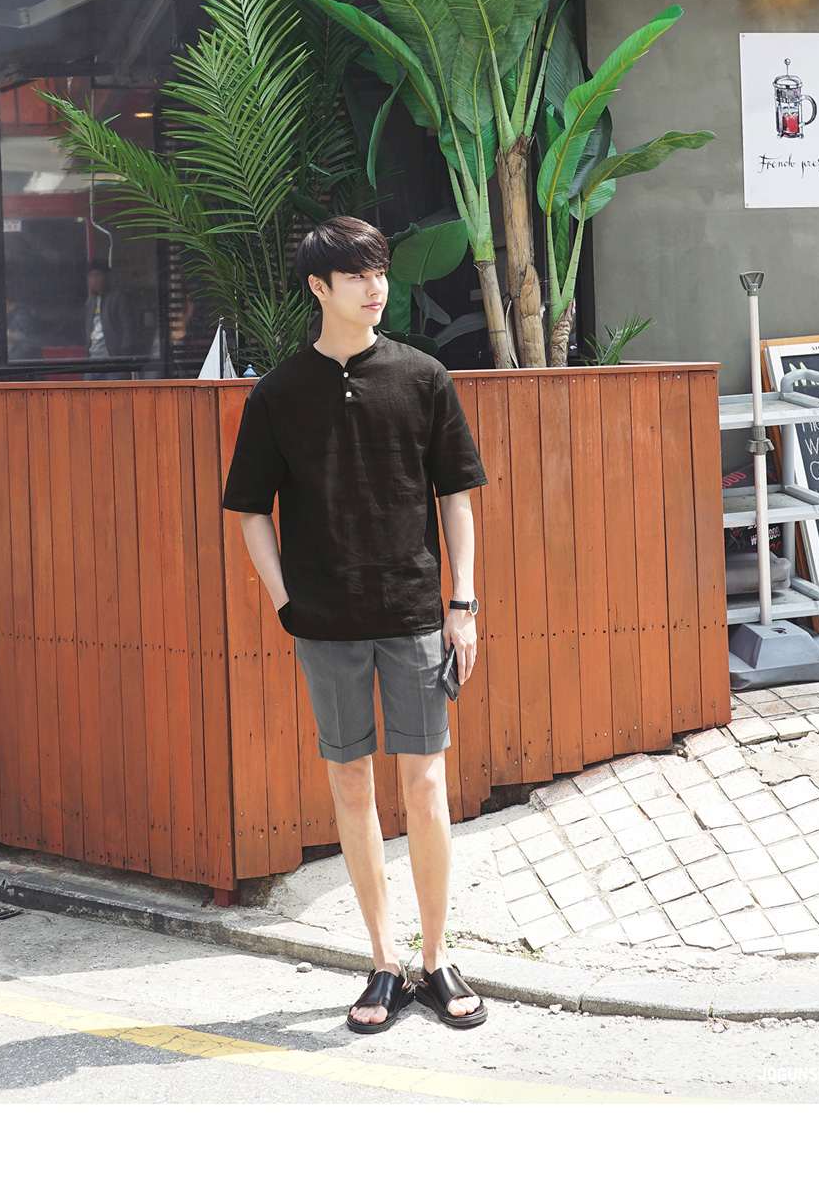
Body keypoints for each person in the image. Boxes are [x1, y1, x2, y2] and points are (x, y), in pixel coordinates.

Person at [222, 214, 488, 1039]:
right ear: (319, 287)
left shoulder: (422, 376)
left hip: (414, 612)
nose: (377, 287)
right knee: (349, 783)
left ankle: (436, 959)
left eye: (380, 272)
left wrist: (463, 604)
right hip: (325, 622)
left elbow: (456, 496)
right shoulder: (278, 393)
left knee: (426, 784)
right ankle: (382, 960)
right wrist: (285, 602)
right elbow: (248, 509)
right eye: (357, 275)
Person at [85, 252, 136, 364]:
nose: (95, 279)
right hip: (93, 360)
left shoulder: (118, 297)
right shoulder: (90, 302)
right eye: (91, 276)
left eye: (98, 274)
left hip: (113, 361)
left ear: (107, 275)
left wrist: (124, 360)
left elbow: (129, 328)